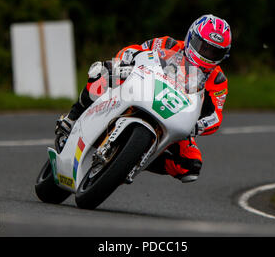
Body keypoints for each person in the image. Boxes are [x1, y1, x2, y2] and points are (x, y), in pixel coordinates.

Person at [55, 14, 232, 183]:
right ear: (190, 38)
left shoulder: (218, 80)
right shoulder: (168, 43)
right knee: (102, 73)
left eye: (214, 52)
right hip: (140, 89)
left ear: (223, 55)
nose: (206, 54)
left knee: (190, 166)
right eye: (204, 47)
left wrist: (197, 126)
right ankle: (73, 116)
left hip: (175, 115)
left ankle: (130, 161)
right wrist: (124, 62)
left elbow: (215, 116)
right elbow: (135, 50)